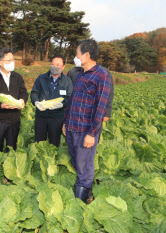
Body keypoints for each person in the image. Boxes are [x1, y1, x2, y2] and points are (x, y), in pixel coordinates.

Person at [63, 39, 111, 203]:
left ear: (86, 55)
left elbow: (100, 107)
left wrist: (92, 133)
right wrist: (65, 123)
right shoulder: (81, 75)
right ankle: (88, 194)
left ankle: (79, 205)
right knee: (78, 162)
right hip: (72, 128)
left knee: (84, 166)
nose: (75, 56)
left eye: (77, 53)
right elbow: (73, 101)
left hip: (85, 131)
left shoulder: (101, 76)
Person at [0, 47, 28, 152]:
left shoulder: (18, 77)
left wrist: (22, 100)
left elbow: (24, 92)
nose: (12, 62)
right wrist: (0, 106)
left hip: (14, 119)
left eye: (13, 59)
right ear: (1, 63)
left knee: (12, 148)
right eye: (9, 60)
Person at [30, 54, 73, 147]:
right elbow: (34, 93)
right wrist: (36, 102)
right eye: (53, 64)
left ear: (63, 67)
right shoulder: (41, 78)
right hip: (41, 116)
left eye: (58, 65)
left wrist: (62, 104)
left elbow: (70, 97)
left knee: (54, 143)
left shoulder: (67, 81)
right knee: (39, 142)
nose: (55, 67)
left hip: (57, 117)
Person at [67, 57, 114, 127]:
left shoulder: (104, 72)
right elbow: (68, 91)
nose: (77, 58)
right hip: (74, 112)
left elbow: (109, 93)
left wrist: (107, 112)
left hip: (93, 114)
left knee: (91, 134)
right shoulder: (73, 71)